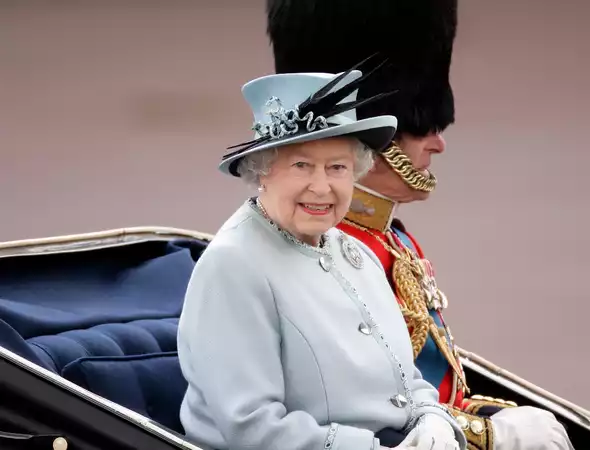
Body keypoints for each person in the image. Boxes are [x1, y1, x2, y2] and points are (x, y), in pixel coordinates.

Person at [264, 1, 578, 450]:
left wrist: (483, 415)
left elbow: (431, 383)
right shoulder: (318, 254)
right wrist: (486, 435)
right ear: (371, 134)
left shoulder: (387, 236)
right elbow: (352, 408)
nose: (439, 142)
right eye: (421, 125)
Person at [176, 64, 468, 450]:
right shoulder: (233, 265)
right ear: (263, 171)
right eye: (302, 166)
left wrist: (433, 421)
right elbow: (253, 428)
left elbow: (404, 378)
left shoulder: (356, 253)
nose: (321, 186)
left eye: (337, 168)